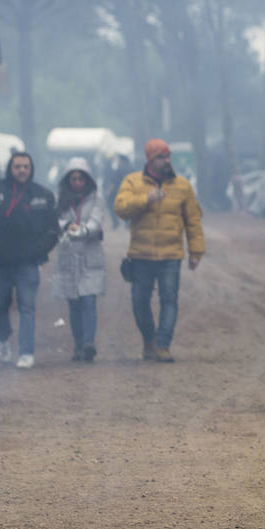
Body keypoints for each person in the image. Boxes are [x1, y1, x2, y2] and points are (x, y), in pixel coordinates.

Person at [114, 139, 205, 362]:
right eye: (160, 157)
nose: (166, 161)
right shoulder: (133, 182)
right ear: (149, 160)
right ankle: (149, 339)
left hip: (171, 255)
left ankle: (163, 346)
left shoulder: (182, 186)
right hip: (140, 255)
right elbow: (120, 208)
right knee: (139, 302)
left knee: (169, 300)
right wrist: (146, 199)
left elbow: (193, 220)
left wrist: (196, 251)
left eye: (167, 156)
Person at [0, 152, 59, 369]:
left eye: (26, 167)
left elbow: (52, 230)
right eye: (18, 166)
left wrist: (37, 252)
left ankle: (27, 352)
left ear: (31, 169)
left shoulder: (43, 196)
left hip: (27, 263)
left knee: (27, 306)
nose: (21, 170)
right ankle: (3, 339)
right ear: (10, 168)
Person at [52, 157, 107, 362]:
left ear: (87, 180)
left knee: (89, 299)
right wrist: (67, 226)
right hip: (68, 255)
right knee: (74, 303)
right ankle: (77, 345)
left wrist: (83, 230)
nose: (77, 183)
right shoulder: (61, 199)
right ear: (67, 181)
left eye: (81, 179)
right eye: (73, 179)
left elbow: (96, 221)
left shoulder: (96, 199)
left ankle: (88, 342)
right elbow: (57, 220)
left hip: (90, 254)